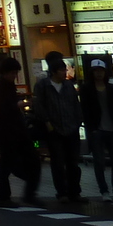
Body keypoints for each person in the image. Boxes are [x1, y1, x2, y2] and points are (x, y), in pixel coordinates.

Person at [32, 52, 84, 205]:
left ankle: (75, 192)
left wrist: (78, 121)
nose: (64, 73)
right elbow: (39, 106)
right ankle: (62, 192)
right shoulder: (43, 85)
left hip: (71, 127)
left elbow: (75, 104)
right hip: (54, 129)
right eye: (62, 70)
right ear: (54, 71)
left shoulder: (68, 86)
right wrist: (47, 122)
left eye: (65, 70)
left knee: (73, 162)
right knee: (58, 162)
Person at [0, 57, 41, 207]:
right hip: (6, 131)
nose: (14, 76)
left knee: (27, 160)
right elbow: (0, 110)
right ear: (4, 72)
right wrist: (17, 104)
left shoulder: (8, 86)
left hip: (15, 130)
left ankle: (27, 193)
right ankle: (6, 196)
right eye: (12, 73)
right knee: (7, 163)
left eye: (15, 73)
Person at [79, 59, 113, 202]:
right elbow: (85, 110)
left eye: (101, 71)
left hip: (112, 128)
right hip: (96, 129)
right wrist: (90, 128)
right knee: (99, 162)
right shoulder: (86, 88)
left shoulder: (111, 88)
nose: (99, 73)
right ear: (92, 72)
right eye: (96, 71)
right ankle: (104, 191)